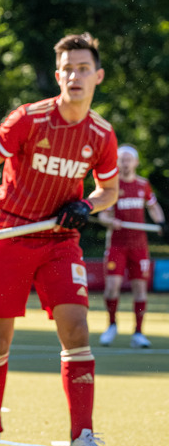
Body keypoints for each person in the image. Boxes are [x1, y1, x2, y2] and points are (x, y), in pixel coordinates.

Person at [0, 33, 119, 446]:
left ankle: (82, 440)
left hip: (60, 240)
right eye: (67, 69)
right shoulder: (29, 119)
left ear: (97, 75)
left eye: (83, 68)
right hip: (7, 234)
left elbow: (109, 190)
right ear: (58, 75)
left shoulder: (101, 134)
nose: (74, 76)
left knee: (77, 330)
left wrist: (86, 204)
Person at [97, 145, 165, 348]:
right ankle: (111, 325)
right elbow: (102, 215)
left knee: (140, 289)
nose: (125, 163)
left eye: (129, 160)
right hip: (117, 245)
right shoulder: (112, 186)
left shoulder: (143, 185)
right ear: (117, 162)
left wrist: (161, 223)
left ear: (136, 162)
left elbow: (153, 207)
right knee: (112, 288)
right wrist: (110, 221)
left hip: (139, 246)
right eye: (122, 160)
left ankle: (138, 333)